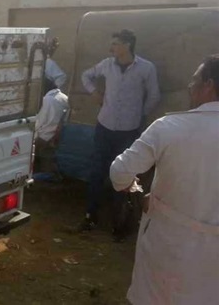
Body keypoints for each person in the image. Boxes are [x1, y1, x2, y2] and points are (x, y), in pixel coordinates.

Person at [109, 54, 219, 305]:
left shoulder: (169, 126)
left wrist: (135, 190)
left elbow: (119, 171)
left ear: (209, 85)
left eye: (194, 79)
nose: (190, 85)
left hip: (169, 243)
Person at [79, 29, 160, 240]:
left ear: (127, 45)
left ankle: (119, 224)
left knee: (123, 177)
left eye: (115, 44)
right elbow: (86, 75)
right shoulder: (107, 65)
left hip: (128, 131)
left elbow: (154, 95)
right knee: (96, 173)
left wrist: (139, 116)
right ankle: (90, 217)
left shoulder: (146, 68)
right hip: (104, 127)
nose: (111, 48)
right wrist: (94, 92)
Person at [33, 77, 69, 179]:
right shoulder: (64, 97)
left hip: (45, 136)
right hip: (57, 135)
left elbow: (39, 122)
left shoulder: (47, 100)